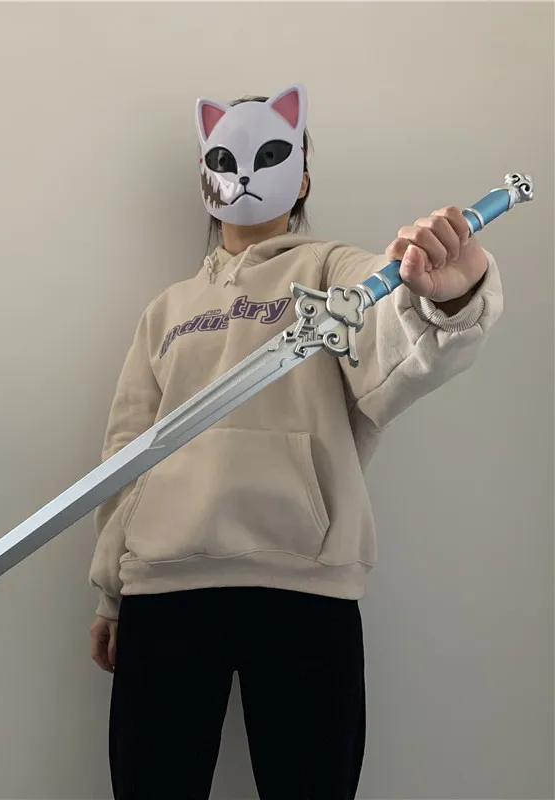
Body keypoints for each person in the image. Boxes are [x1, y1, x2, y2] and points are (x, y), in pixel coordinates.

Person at [87, 84, 503, 800]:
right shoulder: (168, 310)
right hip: (166, 582)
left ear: (303, 177)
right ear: (205, 175)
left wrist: (448, 298)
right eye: (225, 157)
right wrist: (111, 594)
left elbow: (395, 342)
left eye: (272, 155)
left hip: (304, 584)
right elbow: (126, 452)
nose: (246, 174)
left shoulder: (336, 272)